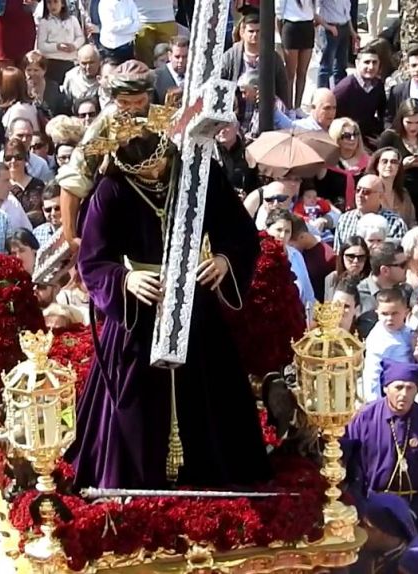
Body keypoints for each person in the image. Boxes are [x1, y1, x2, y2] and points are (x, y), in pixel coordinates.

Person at [64, 91, 270, 490]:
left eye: (159, 163)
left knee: (212, 402)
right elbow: (92, 260)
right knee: (134, 407)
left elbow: (240, 231)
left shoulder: (197, 175)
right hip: (141, 312)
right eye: (144, 171)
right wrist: (125, 280)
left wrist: (226, 259)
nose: (155, 173)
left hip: (198, 304)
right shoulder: (112, 190)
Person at [345, 361, 418, 528]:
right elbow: (352, 466)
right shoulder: (364, 419)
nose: (404, 394)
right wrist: (362, 505)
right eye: (398, 387)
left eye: (410, 388)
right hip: (371, 508)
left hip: (415, 510)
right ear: (385, 388)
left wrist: (417, 510)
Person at [352, 493, 418, 573]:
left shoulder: (417, 564)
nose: (362, 530)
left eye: (368, 526)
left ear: (386, 531)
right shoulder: (365, 554)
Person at [362, 293, 414, 397]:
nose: (390, 318)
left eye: (395, 313)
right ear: (377, 313)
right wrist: (375, 404)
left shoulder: (411, 332)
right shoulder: (377, 338)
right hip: (390, 392)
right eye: (385, 314)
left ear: (406, 312)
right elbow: (372, 375)